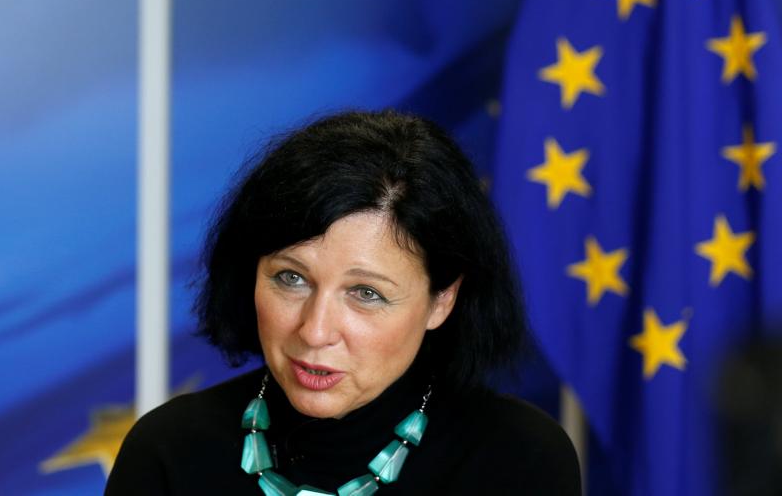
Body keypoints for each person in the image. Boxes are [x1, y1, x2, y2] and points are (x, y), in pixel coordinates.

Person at [106, 109, 581, 495]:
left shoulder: (519, 459)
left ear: (442, 300)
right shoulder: (168, 450)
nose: (315, 331)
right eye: (291, 278)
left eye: (366, 293)